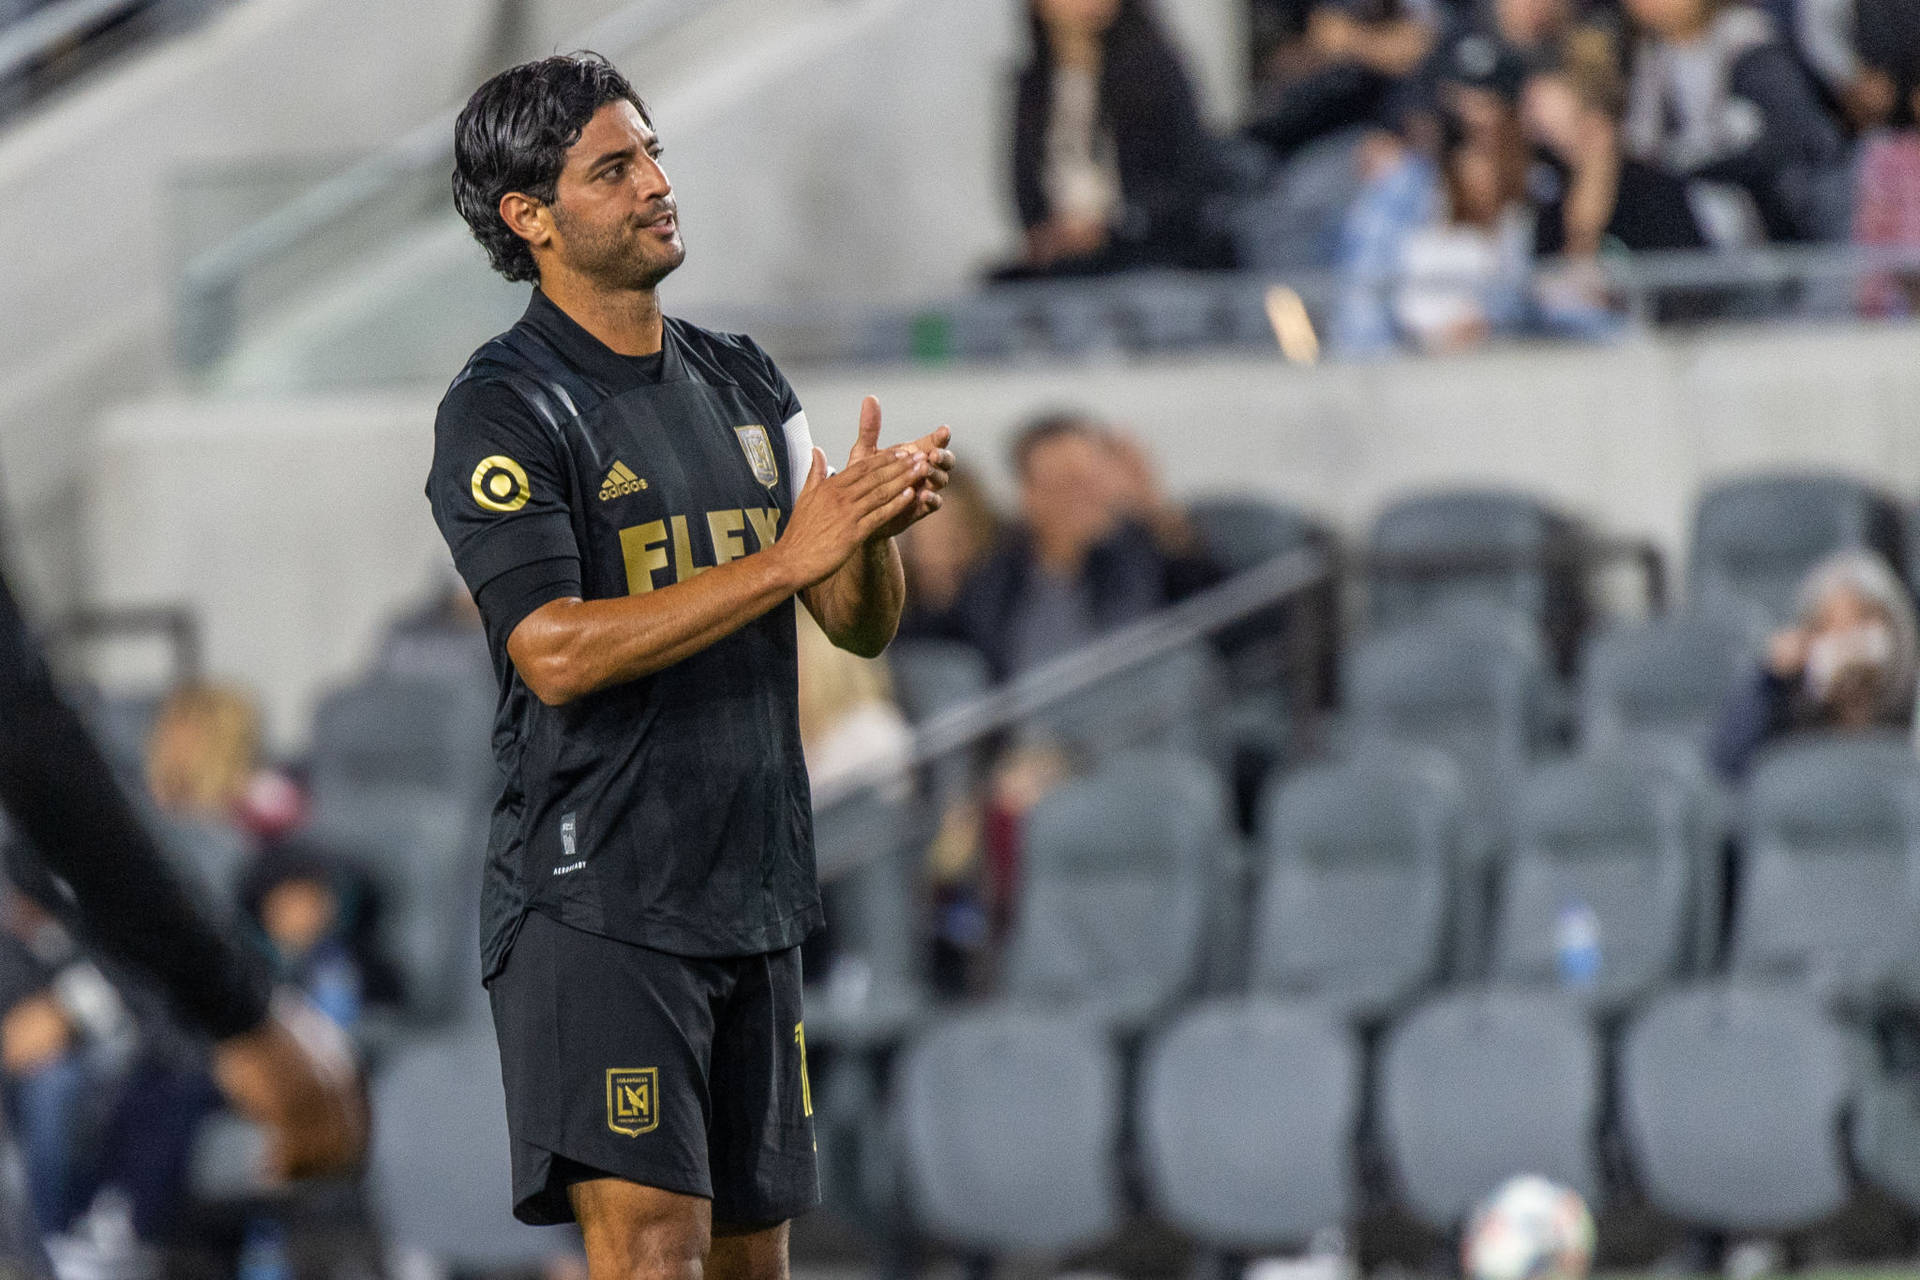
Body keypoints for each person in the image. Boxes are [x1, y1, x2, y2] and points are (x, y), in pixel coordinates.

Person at [433, 52, 953, 1280]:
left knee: (749, 1261)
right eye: (614, 168)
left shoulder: (743, 377)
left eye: (653, 151)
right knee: (653, 1251)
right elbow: (553, 651)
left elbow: (857, 623)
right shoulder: (504, 408)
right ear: (531, 216)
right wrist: (785, 561)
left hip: (751, 882)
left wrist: (862, 539)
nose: (659, 183)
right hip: (599, 895)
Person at [0, 567, 364, 1273]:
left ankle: (120, 1227)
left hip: (174, 1009)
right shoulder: (150, 831)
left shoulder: (265, 839)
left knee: (153, 1063)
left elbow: (36, 756)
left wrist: (239, 1008)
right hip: (145, 996)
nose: (169, 745)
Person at [947, 413, 1220, 680]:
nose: (1087, 497)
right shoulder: (997, 580)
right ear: (1029, 495)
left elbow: (1225, 618)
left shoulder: (1151, 555)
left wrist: (1157, 513)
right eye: (1066, 485)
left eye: (1093, 479)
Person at [1003, 0, 1231, 276]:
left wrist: (1111, 227)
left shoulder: (1153, 70)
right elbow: (1024, 189)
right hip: (1066, 265)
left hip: (1149, 257)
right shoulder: (1034, 86)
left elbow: (1191, 180)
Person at [1620, 0, 1846, 245]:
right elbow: (1641, 143)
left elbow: (1779, 138)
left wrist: (1685, 159)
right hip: (1691, 208)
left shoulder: (1748, 41)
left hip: (1775, 205)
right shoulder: (1648, 54)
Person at [1710, 549, 1918, 779]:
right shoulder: (1790, 703)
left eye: (1862, 620)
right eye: (1827, 626)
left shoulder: (1912, 696)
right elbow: (1728, 763)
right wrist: (1768, 681)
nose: (1846, 640)